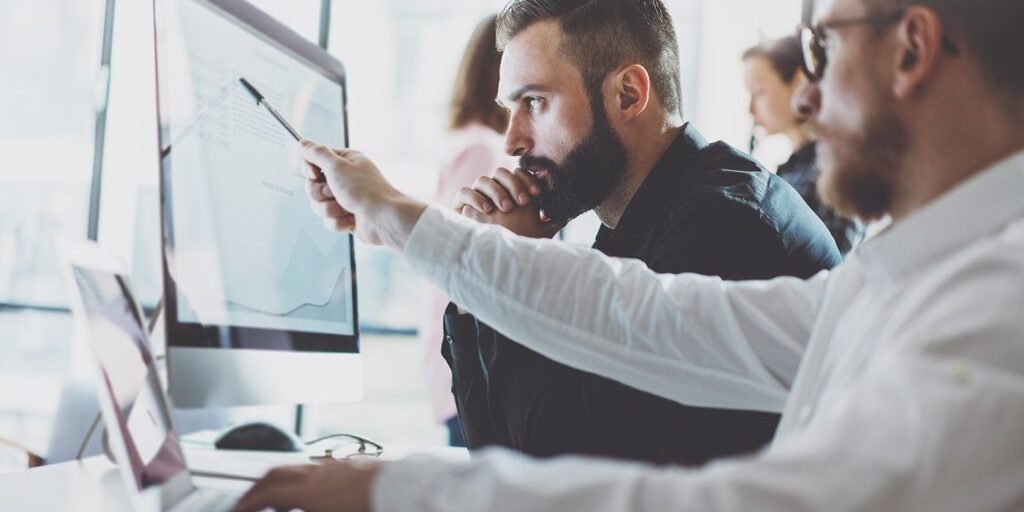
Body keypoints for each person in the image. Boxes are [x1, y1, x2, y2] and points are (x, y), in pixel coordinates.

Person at [233, 0, 1024, 510]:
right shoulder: (896, 278)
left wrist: (399, 490)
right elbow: (644, 315)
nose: (805, 100)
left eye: (823, 50)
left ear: (912, 48)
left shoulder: (995, 311)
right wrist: (406, 222)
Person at [438, 0, 839, 466]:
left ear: (628, 94)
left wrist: (510, 269)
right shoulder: (629, 228)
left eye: (535, 102)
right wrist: (477, 289)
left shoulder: (727, 227)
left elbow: (568, 472)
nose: (512, 140)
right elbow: (497, 461)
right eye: (512, 108)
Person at [418, 14, 511, 448]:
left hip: (459, 362)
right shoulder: (485, 150)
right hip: (474, 366)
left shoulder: (470, 142)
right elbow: (467, 258)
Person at [743, 35, 866, 255]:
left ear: (799, 81)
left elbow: (833, 264)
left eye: (759, 93)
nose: (751, 109)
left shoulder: (831, 171)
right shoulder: (792, 169)